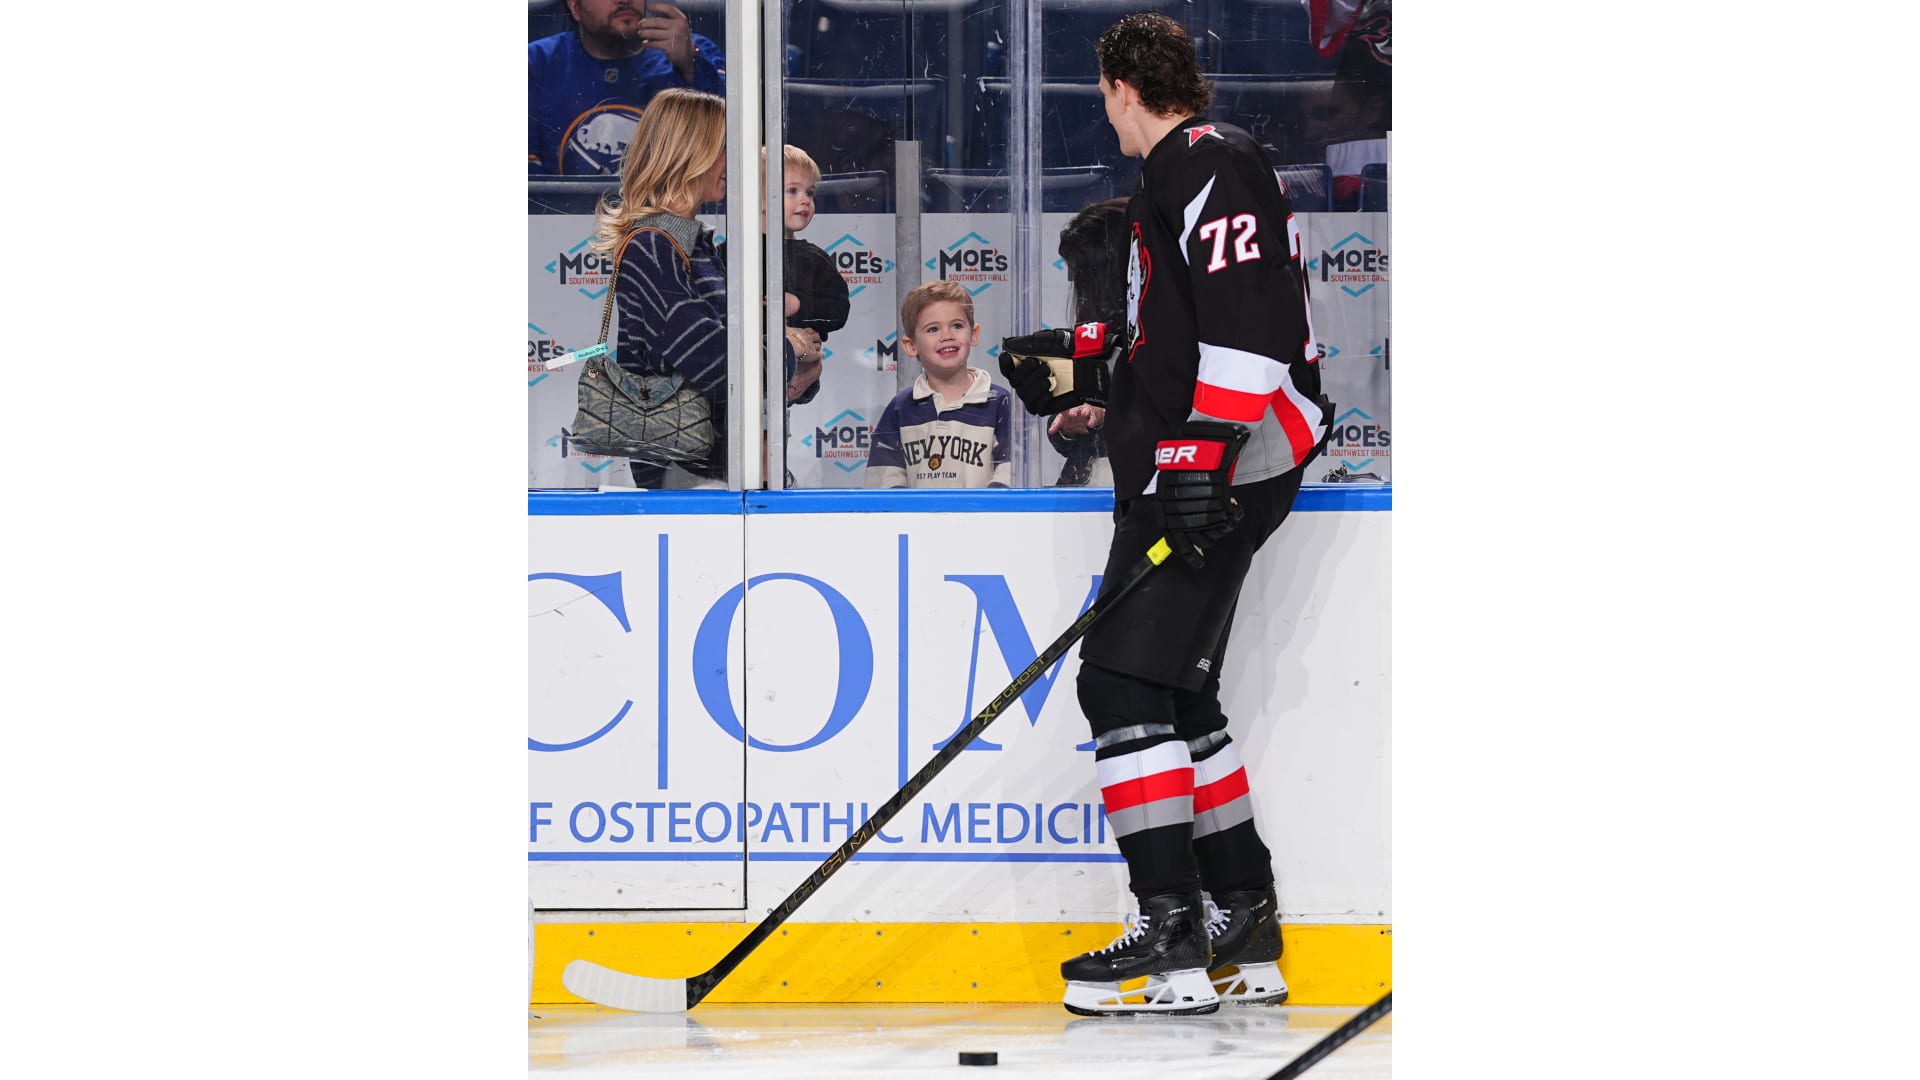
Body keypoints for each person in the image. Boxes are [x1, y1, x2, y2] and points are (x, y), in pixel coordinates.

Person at [1044, 12, 1334, 1017]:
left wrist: (1204, 449)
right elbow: (1190, 327)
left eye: (1103, 94)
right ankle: (1242, 923)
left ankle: (1169, 937)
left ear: (1120, 87)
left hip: (1217, 466)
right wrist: (1099, 387)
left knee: (1120, 682)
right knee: (1178, 694)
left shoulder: (1205, 159)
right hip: (1204, 458)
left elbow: (1251, 319)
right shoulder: (1177, 174)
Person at [587, 88, 820, 488]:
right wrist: (791, 347)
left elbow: (737, 367)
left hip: (725, 473)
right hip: (691, 481)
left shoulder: (695, 245)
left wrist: (799, 369)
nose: (737, 162)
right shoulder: (654, 246)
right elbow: (717, 365)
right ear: (688, 153)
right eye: (725, 148)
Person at [529, 1, 726, 175]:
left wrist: (693, 66)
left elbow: (733, 138)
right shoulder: (537, 62)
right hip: (569, 207)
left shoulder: (693, 50)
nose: (624, 1)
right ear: (575, 6)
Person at [865, 281, 1013, 489]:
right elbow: (883, 479)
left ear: (973, 334)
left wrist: (985, 507)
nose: (947, 336)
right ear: (911, 345)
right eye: (933, 329)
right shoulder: (901, 407)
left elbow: (1012, 472)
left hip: (982, 512)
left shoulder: (998, 402)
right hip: (917, 512)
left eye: (957, 326)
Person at [1045, 197, 1131, 487]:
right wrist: (1069, 423)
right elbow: (1061, 427)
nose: (1079, 289)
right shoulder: (1088, 331)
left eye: (1083, 275)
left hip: (1140, 484)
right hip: (1084, 485)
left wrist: (1106, 413)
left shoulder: (1170, 333)